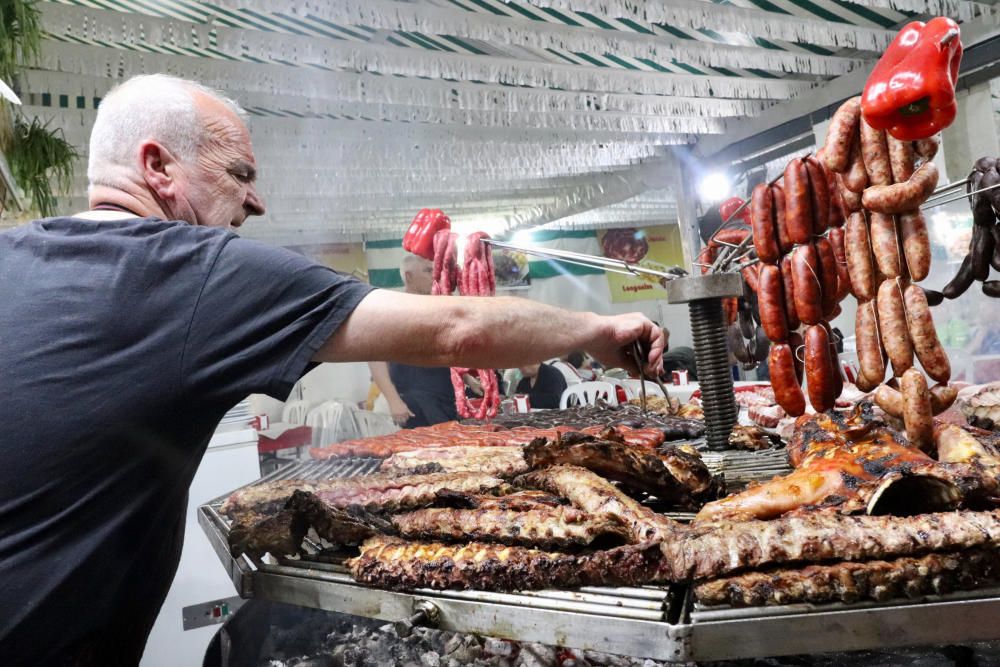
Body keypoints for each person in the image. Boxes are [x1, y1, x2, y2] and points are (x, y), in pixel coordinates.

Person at [0, 74, 664, 665]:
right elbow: (458, 330)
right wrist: (599, 331)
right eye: (241, 174)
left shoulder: (11, 256)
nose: (256, 204)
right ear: (159, 166)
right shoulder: (187, 270)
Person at [367, 255, 461, 428]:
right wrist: (393, 400)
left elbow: (438, 354)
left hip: (444, 399)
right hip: (413, 403)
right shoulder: (393, 311)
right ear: (409, 276)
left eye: (435, 270)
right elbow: (375, 358)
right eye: (427, 270)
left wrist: (468, 379)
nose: (435, 276)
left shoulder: (436, 310)